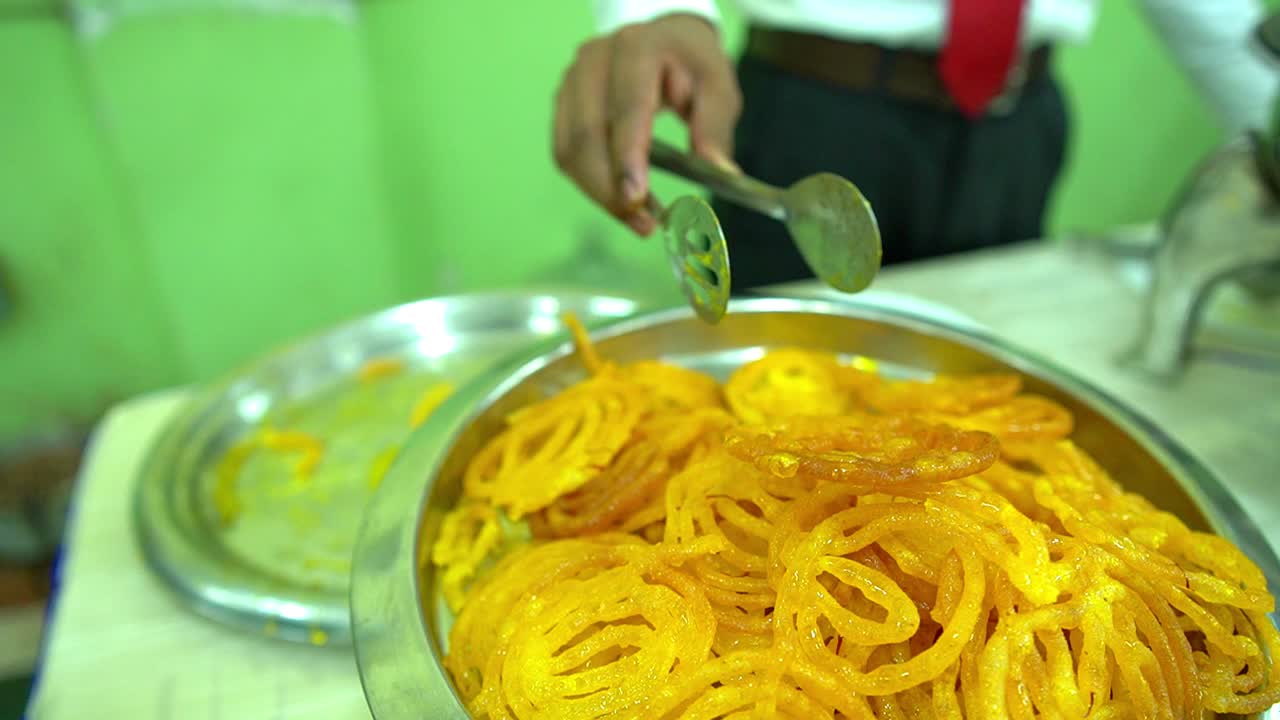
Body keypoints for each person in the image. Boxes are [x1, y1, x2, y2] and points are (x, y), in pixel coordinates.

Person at [553, 0, 1278, 289]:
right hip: (812, 113)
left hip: (1016, 129)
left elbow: (1219, 27)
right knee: (770, 399)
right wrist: (656, 12)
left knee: (979, 402)